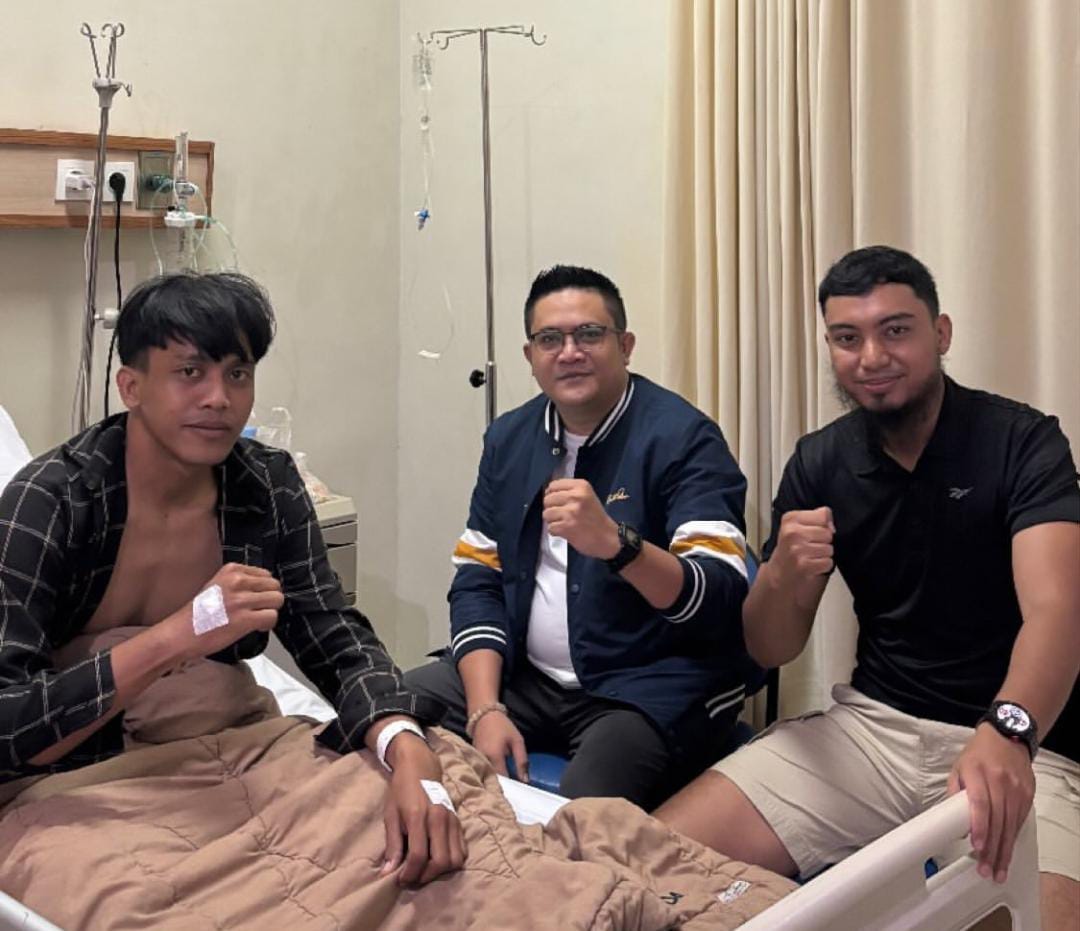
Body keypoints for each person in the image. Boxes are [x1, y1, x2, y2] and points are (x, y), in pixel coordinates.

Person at [655, 245, 1079, 929]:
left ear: (940, 333)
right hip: (872, 733)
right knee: (648, 856)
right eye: (847, 338)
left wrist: (1010, 730)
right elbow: (768, 647)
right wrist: (784, 575)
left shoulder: (1022, 441)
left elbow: (1057, 611)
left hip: (1022, 737)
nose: (872, 356)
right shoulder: (820, 459)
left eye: (895, 330)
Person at [0, 272, 464, 886]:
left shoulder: (265, 486)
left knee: (445, 809)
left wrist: (405, 747)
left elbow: (334, 637)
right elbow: (7, 719)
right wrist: (177, 636)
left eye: (238, 373)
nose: (219, 398)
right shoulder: (49, 503)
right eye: (190, 372)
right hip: (84, 777)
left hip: (236, 745)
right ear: (131, 386)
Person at [405, 264, 752, 809]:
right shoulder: (509, 438)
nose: (569, 352)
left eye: (589, 334)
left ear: (625, 345)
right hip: (527, 678)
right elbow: (477, 579)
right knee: (388, 711)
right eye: (550, 339)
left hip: (643, 687)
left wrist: (617, 544)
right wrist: (486, 708)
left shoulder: (684, 438)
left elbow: (720, 600)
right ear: (530, 356)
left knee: (585, 812)